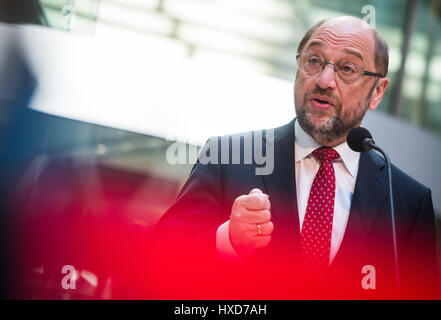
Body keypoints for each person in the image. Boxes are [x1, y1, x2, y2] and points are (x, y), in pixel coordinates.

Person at [152, 16, 438, 299]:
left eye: (347, 68)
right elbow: (157, 262)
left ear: (377, 92)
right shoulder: (227, 157)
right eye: (314, 61)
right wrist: (227, 239)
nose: (324, 81)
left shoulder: (408, 202)